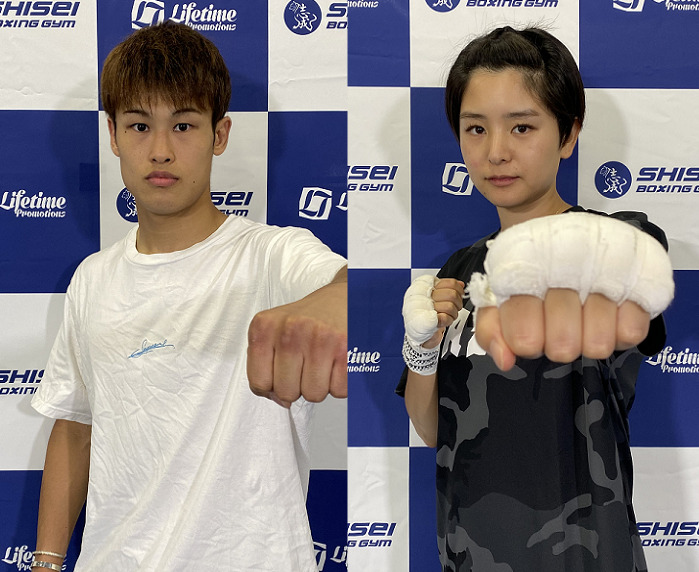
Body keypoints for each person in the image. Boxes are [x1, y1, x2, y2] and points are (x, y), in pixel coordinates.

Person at [30, 21, 347, 572]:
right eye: (139, 125)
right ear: (112, 135)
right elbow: (76, 428)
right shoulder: (92, 278)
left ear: (219, 135)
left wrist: (337, 300)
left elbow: (351, 290)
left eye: (183, 125)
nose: (160, 150)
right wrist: (46, 562)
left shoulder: (273, 254)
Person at [397, 27, 673, 572]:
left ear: (568, 135)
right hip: (469, 555)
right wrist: (421, 348)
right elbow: (433, 431)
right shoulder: (458, 271)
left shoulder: (614, 240)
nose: (496, 151)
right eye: (475, 128)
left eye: (522, 126)